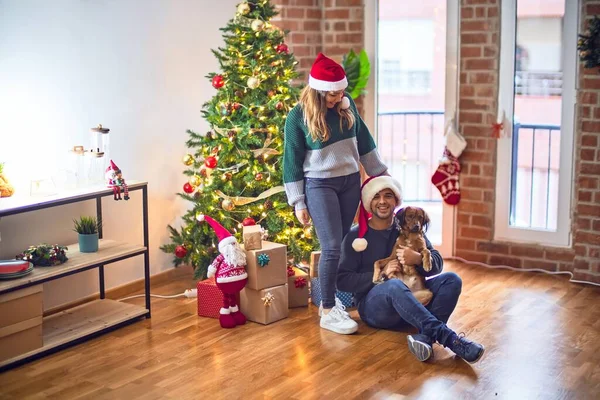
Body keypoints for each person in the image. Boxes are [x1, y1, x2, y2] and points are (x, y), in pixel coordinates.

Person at [283, 53, 388, 335]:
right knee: (330, 245)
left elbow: (363, 139)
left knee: (341, 243)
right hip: (320, 185)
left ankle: (333, 304)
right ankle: (328, 309)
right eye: (332, 94)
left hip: (350, 182)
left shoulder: (347, 105)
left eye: (341, 91)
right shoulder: (297, 118)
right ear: (317, 91)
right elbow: (291, 162)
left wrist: (379, 173)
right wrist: (298, 202)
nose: (338, 97)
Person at [336, 176, 485, 363]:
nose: (382, 201)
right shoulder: (355, 236)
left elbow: (437, 263)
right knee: (394, 285)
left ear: (396, 201)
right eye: (376, 196)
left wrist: (416, 259)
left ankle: (425, 338)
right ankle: (451, 340)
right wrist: (381, 275)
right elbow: (342, 281)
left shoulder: (408, 228)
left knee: (451, 279)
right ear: (368, 202)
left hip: (413, 299)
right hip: (376, 308)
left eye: (388, 196)